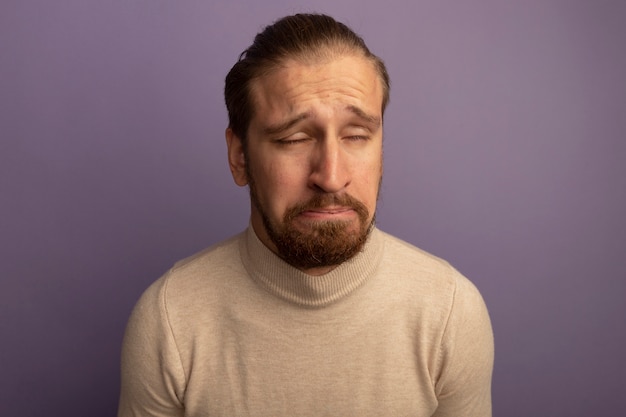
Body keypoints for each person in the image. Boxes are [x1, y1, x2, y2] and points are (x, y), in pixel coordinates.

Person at [118, 13, 494, 417]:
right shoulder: (170, 320)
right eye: (294, 139)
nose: (331, 177)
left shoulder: (451, 313)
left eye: (356, 136)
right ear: (239, 156)